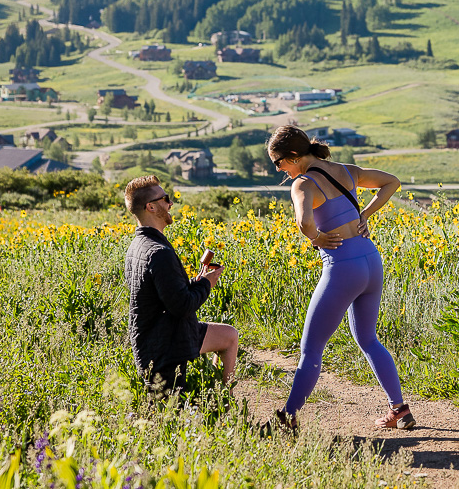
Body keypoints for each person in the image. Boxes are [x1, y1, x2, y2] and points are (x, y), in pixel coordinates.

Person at [267, 124, 415, 432]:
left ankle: (288, 418)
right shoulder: (346, 170)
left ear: (293, 157)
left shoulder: (303, 184)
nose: (279, 169)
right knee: (368, 339)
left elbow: (303, 222)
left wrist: (317, 238)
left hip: (343, 267)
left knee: (311, 350)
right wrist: (365, 215)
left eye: (278, 163)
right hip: (371, 261)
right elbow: (392, 182)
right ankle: (399, 409)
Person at [123, 175, 239, 393]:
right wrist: (206, 285)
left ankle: (221, 397)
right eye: (166, 199)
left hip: (151, 337)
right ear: (151, 207)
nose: (170, 204)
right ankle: (222, 402)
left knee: (229, 336)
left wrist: (198, 281)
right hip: (165, 345)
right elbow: (182, 306)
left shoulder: (138, 245)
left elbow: (166, 294)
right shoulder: (159, 252)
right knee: (170, 415)